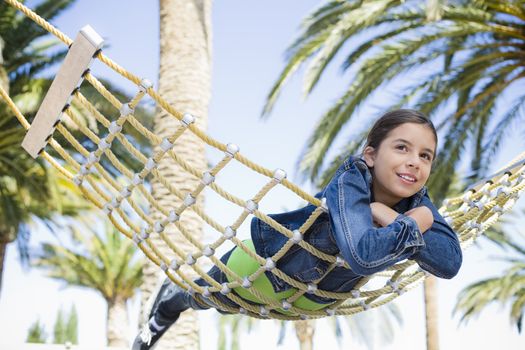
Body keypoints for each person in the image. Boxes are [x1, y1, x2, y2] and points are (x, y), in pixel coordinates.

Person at [132, 109, 462, 350]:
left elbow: (449, 262)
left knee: (222, 304)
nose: (415, 161)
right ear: (372, 155)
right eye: (402, 148)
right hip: (261, 265)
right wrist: (415, 224)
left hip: (313, 299)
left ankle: (176, 302)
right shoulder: (351, 179)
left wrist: (397, 218)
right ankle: (169, 305)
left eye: (425, 155)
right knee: (205, 296)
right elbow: (363, 255)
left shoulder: (419, 204)